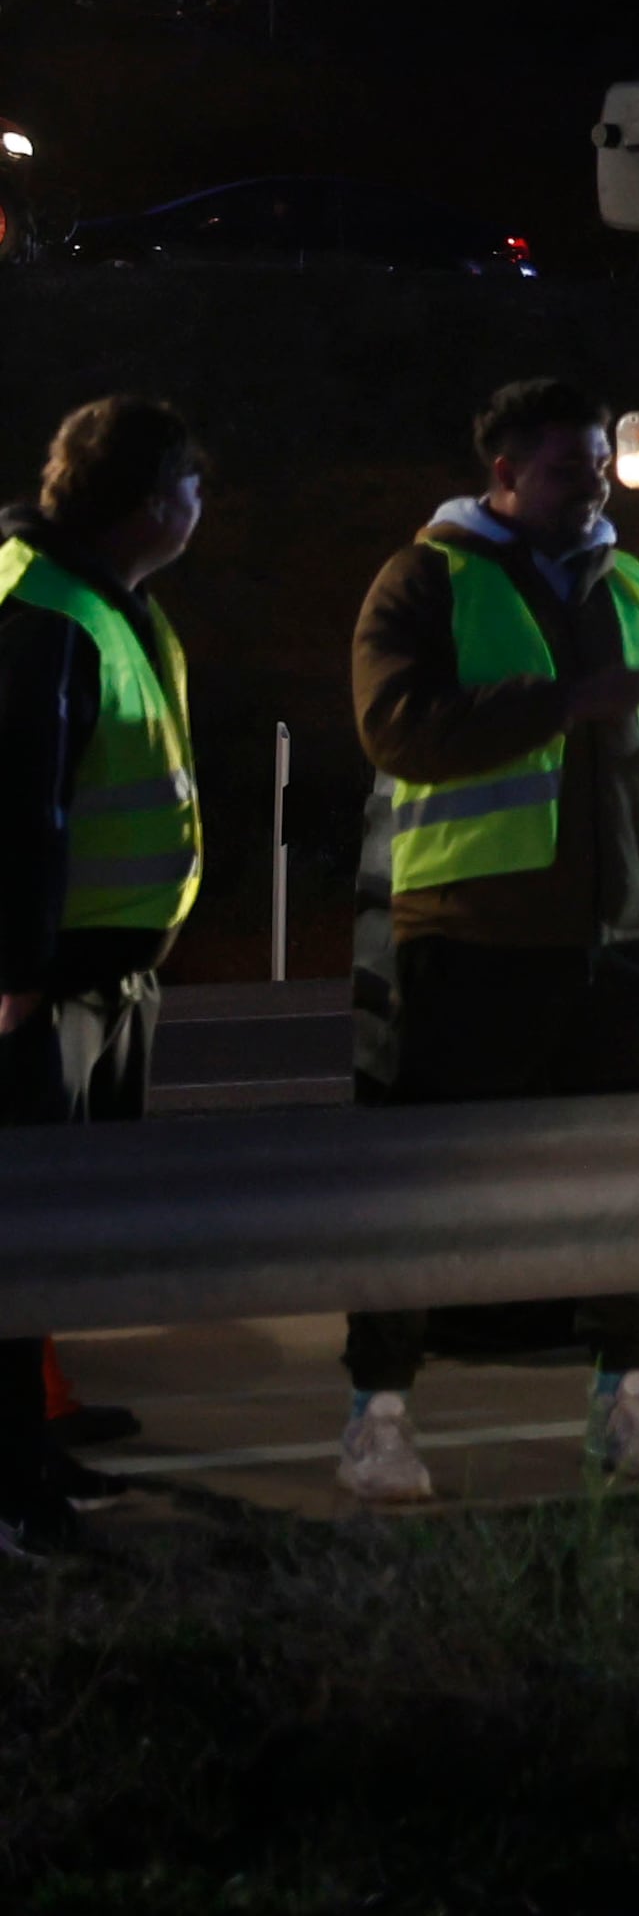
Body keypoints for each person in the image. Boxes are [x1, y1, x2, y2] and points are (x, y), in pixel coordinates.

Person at [336, 377, 639, 1503]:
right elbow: (395, 727)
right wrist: (556, 703)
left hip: (637, 949)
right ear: (503, 475)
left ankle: (626, 1399)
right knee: (422, 1193)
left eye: (602, 465)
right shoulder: (424, 580)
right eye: (568, 468)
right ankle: (379, 1415)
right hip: (470, 941)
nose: (594, 485)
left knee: (627, 1193)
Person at [0, 399, 210, 1558]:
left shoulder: (99, 599)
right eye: (190, 485)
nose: (199, 507)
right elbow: (17, 807)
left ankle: (30, 1447)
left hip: (95, 976)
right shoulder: (43, 613)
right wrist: (17, 971)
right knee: (19, 1237)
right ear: (147, 504)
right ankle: (11, 1488)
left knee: (51, 1236)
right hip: (48, 984)